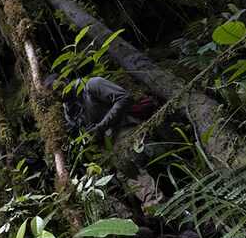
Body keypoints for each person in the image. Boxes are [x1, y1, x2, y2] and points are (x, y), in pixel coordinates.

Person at [51, 74, 165, 210]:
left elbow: (125, 98)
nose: (59, 94)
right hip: (107, 143)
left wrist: (102, 126)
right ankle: (128, 219)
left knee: (127, 167)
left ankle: (157, 207)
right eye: (54, 95)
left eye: (59, 88)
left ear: (66, 80)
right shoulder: (68, 111)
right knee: (96, 183)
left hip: (124, 127)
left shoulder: (92, 85)